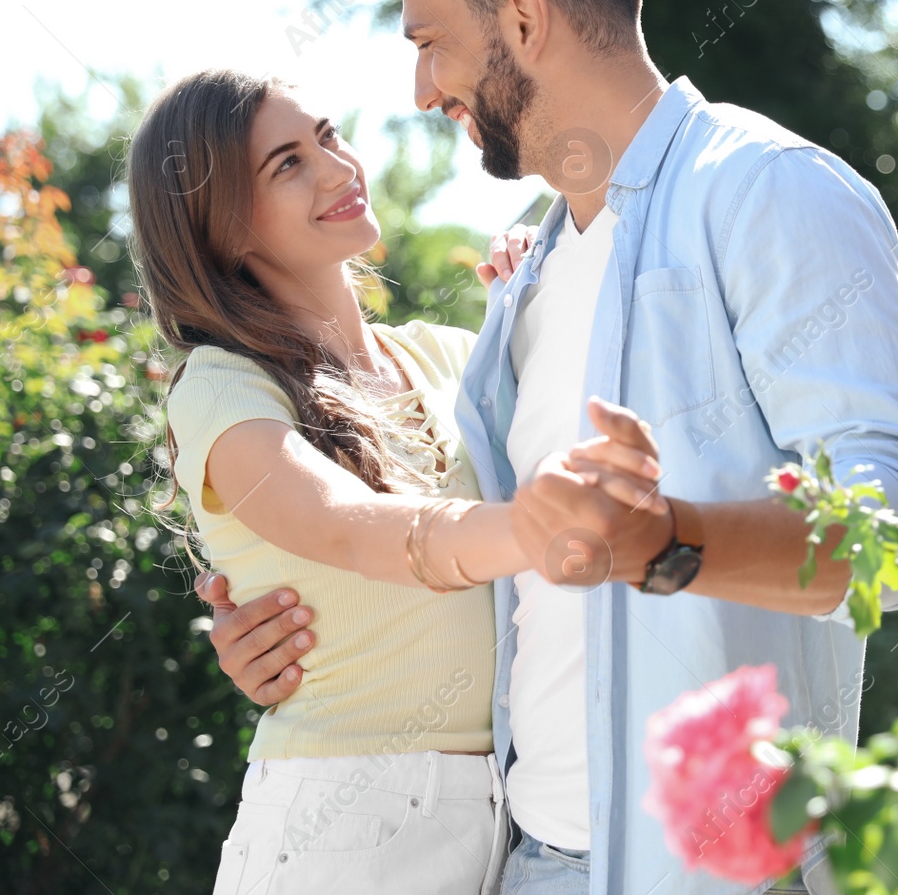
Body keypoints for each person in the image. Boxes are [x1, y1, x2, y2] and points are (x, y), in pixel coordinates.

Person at [202, 0, 898, 894]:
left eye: (430, 42)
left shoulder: (767, 193)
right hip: (527, 862)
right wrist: (281, 622)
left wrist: (670, 543)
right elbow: (469, 540)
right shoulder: (527, 281)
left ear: (521, 20)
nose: (421, 90)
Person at [129, 69, 665, 895]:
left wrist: (536, 287)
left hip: (504, 818)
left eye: (329, 136)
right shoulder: (222, 385)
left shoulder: (449, 355)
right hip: (338, 826)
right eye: (287, 165)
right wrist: (535, 525)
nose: (339, 170)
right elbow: (345, 526)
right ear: (222, 229)